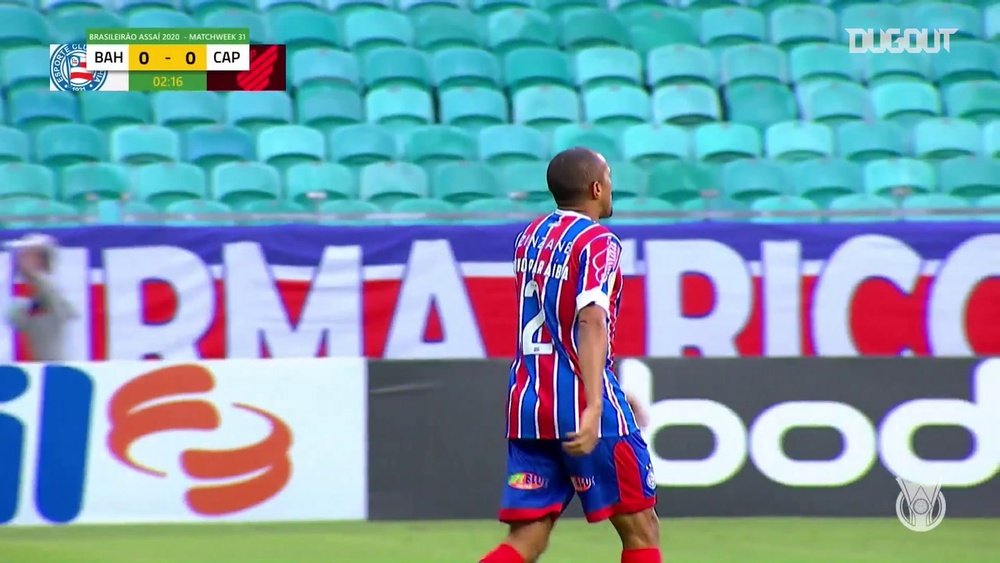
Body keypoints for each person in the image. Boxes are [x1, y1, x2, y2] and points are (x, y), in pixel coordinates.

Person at [480, 148, 661, 563]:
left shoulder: (531, 235)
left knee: (527, 536)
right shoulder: (600, 243)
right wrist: (598, 402)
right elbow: (590, 320)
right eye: (610, 177)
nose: (612, 186)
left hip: (529, 404)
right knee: (641, 529)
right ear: (597, 188)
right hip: (580, 404)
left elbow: (553, 320)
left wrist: (610, 385)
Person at [4, 234, 77, 362]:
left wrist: (31, 273)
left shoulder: (55, 288)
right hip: (32, 366)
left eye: (28, 255)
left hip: (55, 365)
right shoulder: (26, 293)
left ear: (41, 258)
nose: (20, 259)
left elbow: (60, 308)